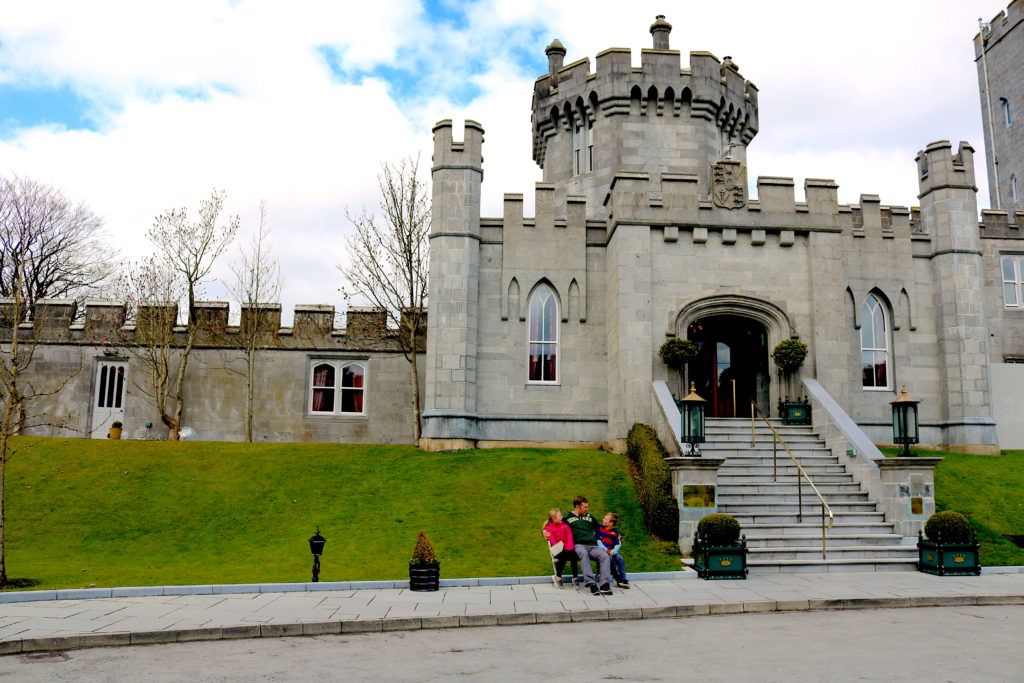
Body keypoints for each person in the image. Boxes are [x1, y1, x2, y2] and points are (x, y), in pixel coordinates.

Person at [563, 495, 613, 595]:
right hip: (579, 545)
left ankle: (604, 584)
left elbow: (601, 529)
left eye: (587, 507)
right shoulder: (567, 518)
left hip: (593, 546)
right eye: (585, 507)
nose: (587, 509)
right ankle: (591, 584)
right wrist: (544, 533)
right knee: (584, 554)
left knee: (605, 556)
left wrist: (613, 534)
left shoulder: (590, 517)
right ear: (577, 507)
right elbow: (553, 526)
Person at [543, 509, 579, 588]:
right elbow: (552, 541)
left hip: (567, 549)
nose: (561, 517)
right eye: (559, 516)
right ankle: (558, 577)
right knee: (564, 555)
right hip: (557, 550)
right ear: (554, 518)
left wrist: (569, 547)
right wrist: (562, 548)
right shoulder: (549, 528)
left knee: (573, 556)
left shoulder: (565, 526)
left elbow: (569, 537)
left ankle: (575, 577)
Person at [597, 512, 630, 589]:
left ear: (611, 523)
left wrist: (613, 551)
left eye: (605, 519)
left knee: (620, 558)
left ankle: (623, 579)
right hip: (603, 551)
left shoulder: (614, 532)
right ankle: (617, 578)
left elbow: (617, 544)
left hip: (612, 551)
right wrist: (605, 549)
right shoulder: (600, 528)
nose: (603, 519)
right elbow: (598, 541)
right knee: (610, 560)